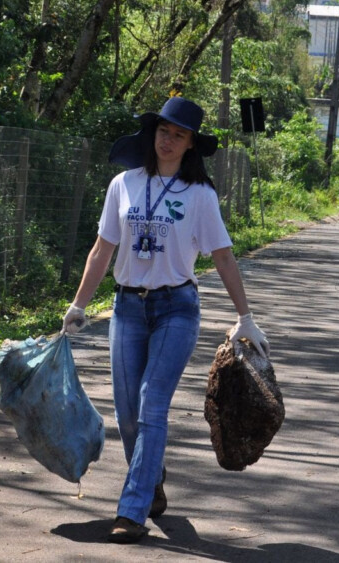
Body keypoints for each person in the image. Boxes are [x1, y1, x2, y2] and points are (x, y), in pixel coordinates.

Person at [61, 96, 269, 544]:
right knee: (128, 413)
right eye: (163, 131)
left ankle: (132, 511)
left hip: (176, 307)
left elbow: (223, 256)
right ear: (152, 133)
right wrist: (79, 304)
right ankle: (150, 477)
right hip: (127, 309)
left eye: (179, 134)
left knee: (152, 404)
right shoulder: (124, 184)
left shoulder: (200, 195)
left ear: (191, 144)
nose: (168, 140)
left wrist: (245, 317)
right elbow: (102, 250)